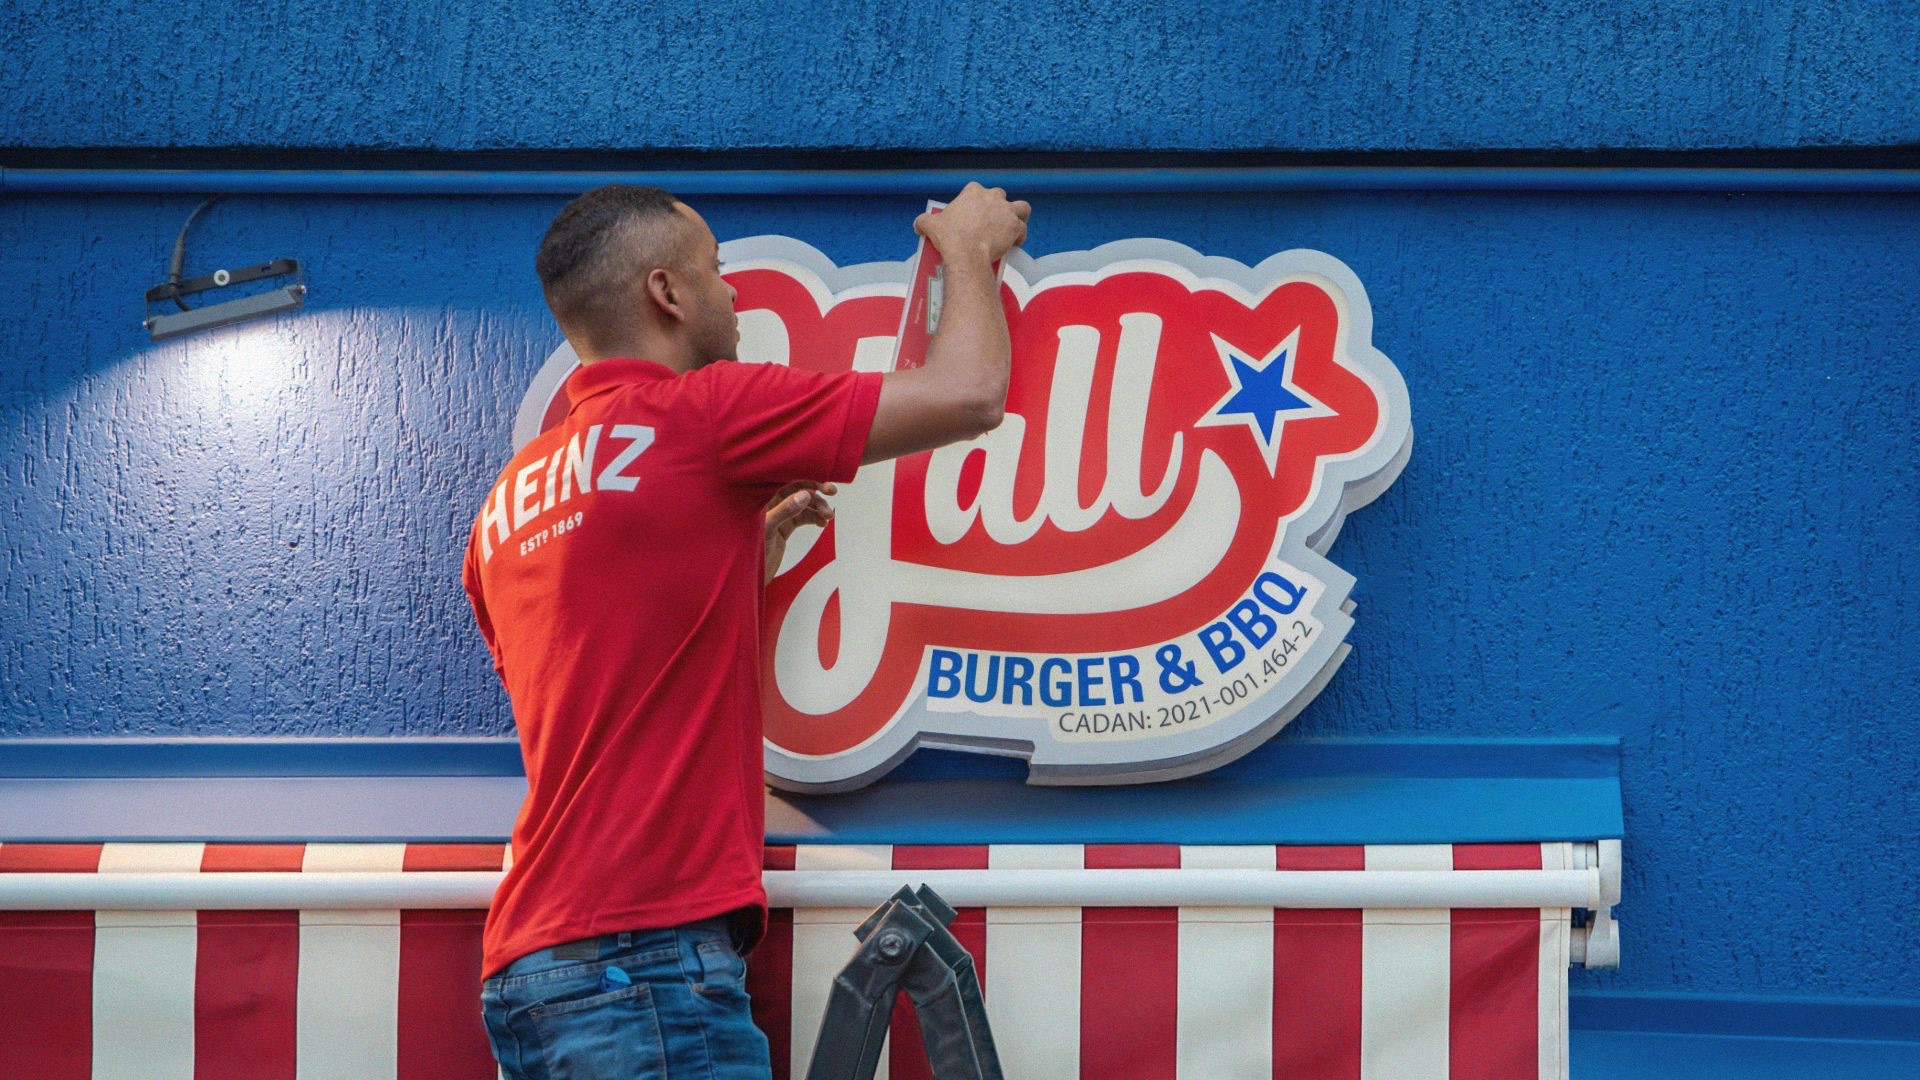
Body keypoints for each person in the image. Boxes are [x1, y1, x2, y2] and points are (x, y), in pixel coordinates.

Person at [463, 181, 1029, 1079]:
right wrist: (968, 247)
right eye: (716, 269)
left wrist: (746, 550)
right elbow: (967, 397)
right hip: (646, 962)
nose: (732, 293)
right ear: (667, 293)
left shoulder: (506, 505)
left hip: (529, 964)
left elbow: (606, 670)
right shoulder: (704, 414)